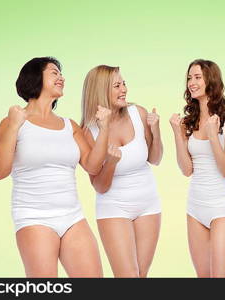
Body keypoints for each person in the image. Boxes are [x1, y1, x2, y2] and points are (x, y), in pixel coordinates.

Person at [0, 57, 109, 277]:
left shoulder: (69, 125)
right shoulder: (13, 122)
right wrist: (15, 125)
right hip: (34, 217)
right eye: (54, 72)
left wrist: (104, 129)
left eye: (61, 74)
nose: (61, 77)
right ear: (36, 78)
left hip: (73, 216)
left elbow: (93, 166)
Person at [81, 65, 163, 278]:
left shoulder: (139, 113)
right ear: (100, 91)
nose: (124, 89)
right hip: (114, 207)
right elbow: (99, 186)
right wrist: (111, 163)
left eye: (124, 83)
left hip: (148, 204)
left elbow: (155, 159)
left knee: (141, 276)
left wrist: (156, 131)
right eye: (116, 86)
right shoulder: (89, 131)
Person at [169, 59, 225, 277]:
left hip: (220, 207)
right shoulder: (187, 122)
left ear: (211, 80)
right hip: (195, 206)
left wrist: (212, 136)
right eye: (190, 78)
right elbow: (187, 170)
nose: (191, 82)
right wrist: (177, 134)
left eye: (198, 77)